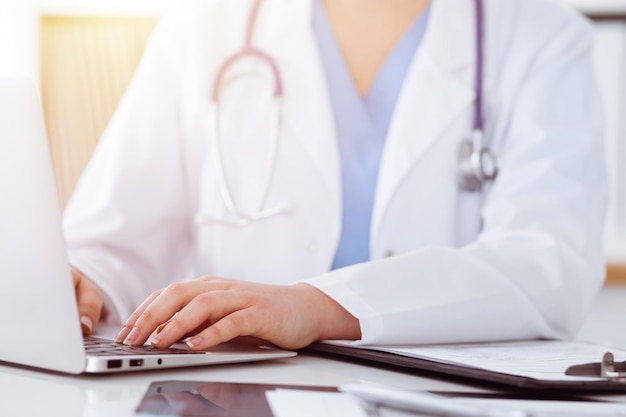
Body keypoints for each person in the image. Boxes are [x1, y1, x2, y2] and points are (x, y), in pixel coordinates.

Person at [64, 0, 608, 351]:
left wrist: (318, 306)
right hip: (232, 393)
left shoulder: (542, 38)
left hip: (443, 398)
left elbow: (548, 265)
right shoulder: (203, 28)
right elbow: (114, 239)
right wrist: (84, 282)